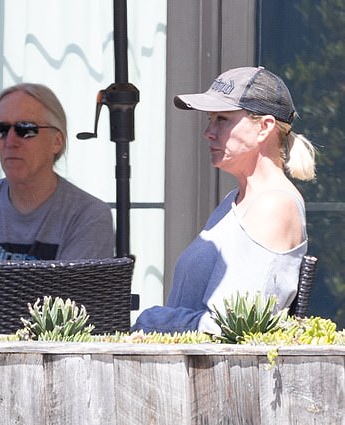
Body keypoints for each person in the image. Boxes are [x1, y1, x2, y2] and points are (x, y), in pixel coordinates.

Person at [133, 66, 317, 334]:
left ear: (264, 127)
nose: (209, 132)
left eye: (222, 119)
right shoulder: (236, 200)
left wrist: (152, 320)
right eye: (210, 119)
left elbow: (231, 328)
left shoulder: (274, 205)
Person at [0, 83, 115, 260]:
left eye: (26, 130)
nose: (10, 141)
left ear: (57, 142)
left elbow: (71, 288)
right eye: (1, 130)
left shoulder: (87, 216)